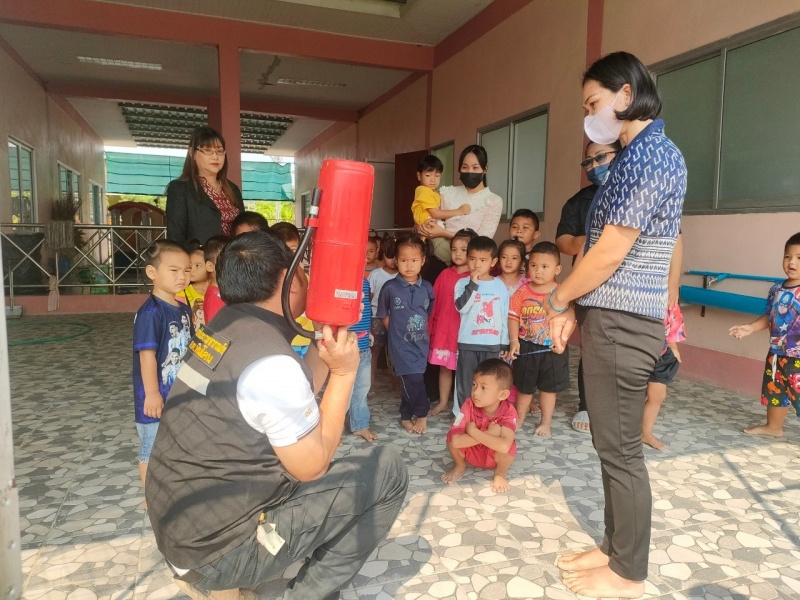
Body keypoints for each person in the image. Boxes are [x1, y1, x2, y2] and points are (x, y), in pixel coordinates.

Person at [146, 231, 408, 600]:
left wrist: (323, 336)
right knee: (387, 469)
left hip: (182, 534)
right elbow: (312, 465)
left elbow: (291, 392)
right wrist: (345, 373)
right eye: (303, 271)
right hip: (217, 553)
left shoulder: (223, 328)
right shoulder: (270, 363)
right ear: (288, 281)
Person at [546, 52, 686, 598]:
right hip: (608, 318)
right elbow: (597, 250)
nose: (590, 117)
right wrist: (574, 310)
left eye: (594, 104)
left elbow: (609, 252)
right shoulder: (630, 159)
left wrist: (559, 298)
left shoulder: (654, 156)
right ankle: (613, 547)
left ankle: (628, 573)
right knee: (610, 444)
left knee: (622, 450)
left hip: (626, 324)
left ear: (626, 94)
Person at [555, 141, 621, 433]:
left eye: (600, 158)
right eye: (588, 161)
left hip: (628, 287)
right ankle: (587, 404)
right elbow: (562, 241)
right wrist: (587, 240)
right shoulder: (579, 202)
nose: (594, 166)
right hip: (590, 284)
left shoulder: (633, 193)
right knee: (593, 347)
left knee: (623, 350)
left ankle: (620, 407)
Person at [131, 240, 192, 503]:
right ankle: (151, 500)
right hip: (155, 397)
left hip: (179, 394)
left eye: (187, 270)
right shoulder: (151, 313)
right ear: (152, 272)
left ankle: (172, 490)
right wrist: (152, 393)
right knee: (152, 447)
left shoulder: (183, 308)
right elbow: (147, 356)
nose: (182, 276)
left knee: (176, 444)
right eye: (174, 270)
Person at [730, 232, 800, 437]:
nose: (792, 262)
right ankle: (774, 427)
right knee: (775, 390)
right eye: (787, 256)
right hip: (777, 352)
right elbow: (770, 315)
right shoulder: (776, 289)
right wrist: (750, 328)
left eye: (799, 258)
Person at [508, 242, 570, 435]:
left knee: (548, 389)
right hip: (527, 347)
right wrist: (514, 341)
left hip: (553, 350)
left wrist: (562, 341)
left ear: (557, 269)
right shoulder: (522, 292)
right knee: (524, 388)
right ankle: (519, 419)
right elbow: (513, 317)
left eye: (545, 266)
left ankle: (546, 422)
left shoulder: (561, 293)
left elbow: (569, 320)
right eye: (533, 265)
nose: (538, 271)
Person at [377, 235, 435, 434]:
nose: (409, 265)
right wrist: (395, 331)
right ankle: (422, 413)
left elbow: (429, 312)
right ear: (396, 260)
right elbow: (383, 314)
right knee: (414, 379)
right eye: (403, 260)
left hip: (421, 343)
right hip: (400, 345)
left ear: (423, 261)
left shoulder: (427, 288)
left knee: (409, 379)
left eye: (414, 260)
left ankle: (405, 415)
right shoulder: (390, 287)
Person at [441, 358, 518, 493]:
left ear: (502, 394)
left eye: (483, 388)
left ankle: (500, 473)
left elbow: (504, 446)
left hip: (493, 454)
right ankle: (460, 466)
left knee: (510, 446)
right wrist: (489, 433)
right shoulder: (468, 405)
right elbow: (456, 441)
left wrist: (473, 431)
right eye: (474, 384)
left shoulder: (508, 412)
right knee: (451, 436)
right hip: (471, 450)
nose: (475, 392)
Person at [453, 236, 510, 415]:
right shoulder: (462, 283)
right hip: (468, 343)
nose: (477, 264)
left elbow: (504, 315)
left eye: (483, 260)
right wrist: (473, 284)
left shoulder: (500, 286)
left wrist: (504, 342)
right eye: (472, 259)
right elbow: (461, 307)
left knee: (489, 382)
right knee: (466, 381)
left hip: (491, 344)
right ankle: (463, 415)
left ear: (493, 262)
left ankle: (485, 415)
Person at [428, 228, 479, 416]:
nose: (458, 254)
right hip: (444, 331)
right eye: (454, 249)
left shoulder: (475, 278)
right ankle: (443, 402)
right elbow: (434, 302)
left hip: (464, 333)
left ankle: (467, 406)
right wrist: (430, 327)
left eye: (463, 250)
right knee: (445, 369)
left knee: (467, 372)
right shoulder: (444, 275)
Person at [166, 126, 244, 244]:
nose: (215, 156)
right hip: (199, 255)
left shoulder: (233, 190)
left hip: (233, 255)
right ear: (192, 153)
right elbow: (175, 237)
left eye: (219, 151)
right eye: (208, 150)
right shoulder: (180, 189)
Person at [419, 145, 503, 244]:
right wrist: (420, 228)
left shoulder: (494, 201)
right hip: (438, 250)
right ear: (459, 169)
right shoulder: (447, 193)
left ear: (485, 169)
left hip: (472, 253)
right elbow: (427, 219)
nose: (470, 171)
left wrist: (443, 233)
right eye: (465, 167)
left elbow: (482, 241)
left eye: (475, 167)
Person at [411, 154, 470, 264]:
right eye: (428, 175)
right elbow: (435, 214)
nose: (433, 179)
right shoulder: (424, 191)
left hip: (435, 233)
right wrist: (459, 211)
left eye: (437, 176)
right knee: (452, 259)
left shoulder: (433, 193)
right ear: (419, 176)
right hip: (431, 237)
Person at [642, 304, 687, 450]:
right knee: (632, 393)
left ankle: (645, 433)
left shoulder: (670, 299)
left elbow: (673, 320)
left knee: (658, 396)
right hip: (638, 351)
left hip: (663, 353)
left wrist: (673, 348)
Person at [348, 278, 377, 442]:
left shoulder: (364, 282)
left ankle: (360, 425)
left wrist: (369, 332)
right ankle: (333, 428)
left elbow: (366, 311)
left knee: (362, 388)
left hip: (364, 347)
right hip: (346, 347)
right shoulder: (339, 280)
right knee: (343, 390)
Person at [368, 236, 397, 393]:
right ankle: (371, 385)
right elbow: (369, 297)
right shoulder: (376, 274)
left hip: (396, 318)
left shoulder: (402, 275)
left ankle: (397, 386)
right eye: (389, 255)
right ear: (382, 255)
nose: (392, 260)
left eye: (395, 256)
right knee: (374, 353)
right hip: (376, 318)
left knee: (395, 353)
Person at [178, 240, 209, 329]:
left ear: (210, 267)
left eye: (197, 266)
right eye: (190, 265)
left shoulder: (219, 292)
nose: (191, 269)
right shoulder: (181, 293)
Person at [201, 235, 229, 324]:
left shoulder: (222, 293)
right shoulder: (214, 298)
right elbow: (217, 330)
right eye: (226, 262)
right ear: (210, 266)